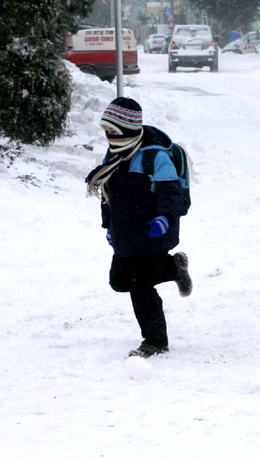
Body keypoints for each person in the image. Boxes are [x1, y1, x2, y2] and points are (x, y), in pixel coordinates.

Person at [86, 97, 193, 358]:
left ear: (127, 129)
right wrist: (108, 225)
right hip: (125, 230)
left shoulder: (155, 156)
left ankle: (155, 341)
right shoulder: (113, 155)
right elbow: (107, 192)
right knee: (119, 281)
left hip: (154, 229)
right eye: (107, 132)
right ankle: (173, 267)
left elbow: (171, 192)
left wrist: (165, 218)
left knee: (140, 285)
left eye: (113, 131)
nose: (109, 137)